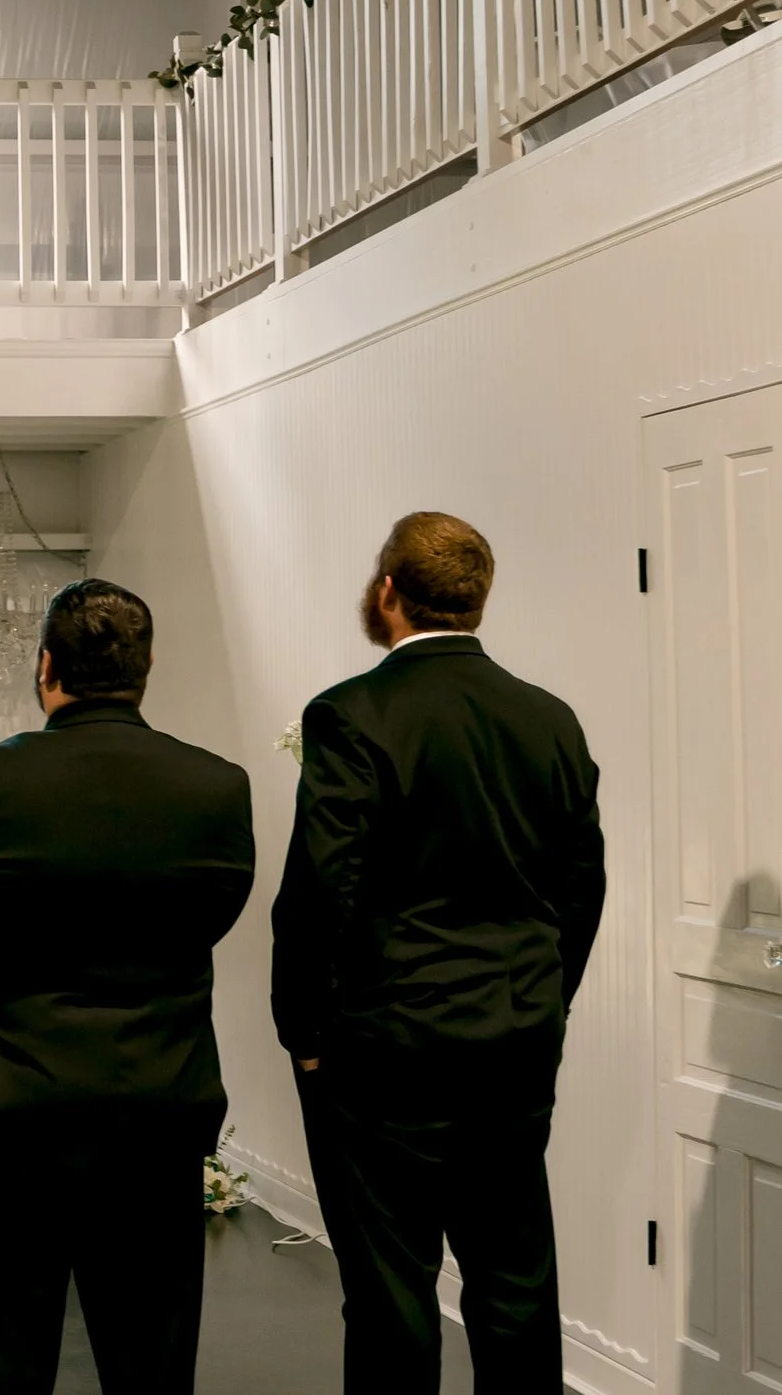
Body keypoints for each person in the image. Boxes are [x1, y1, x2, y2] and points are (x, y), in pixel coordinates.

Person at [272, 512, 606, 1394]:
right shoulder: (550, 719)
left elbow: (319, 890)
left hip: (390, 1049)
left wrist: (302, 1027)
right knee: (515, 1284)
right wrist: (543, 997)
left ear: (387, 592)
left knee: (391, 1292)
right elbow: (583, 886)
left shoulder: (351, 714)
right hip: (515, 1041)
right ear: (477, 600)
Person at [0, 579, 254, 1395]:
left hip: (8, 1101)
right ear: (146, 670)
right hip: (157, 1103)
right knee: (152, 1359)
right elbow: (217, 913)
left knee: (5, 1355)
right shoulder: (216, 786)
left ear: (45, 669)